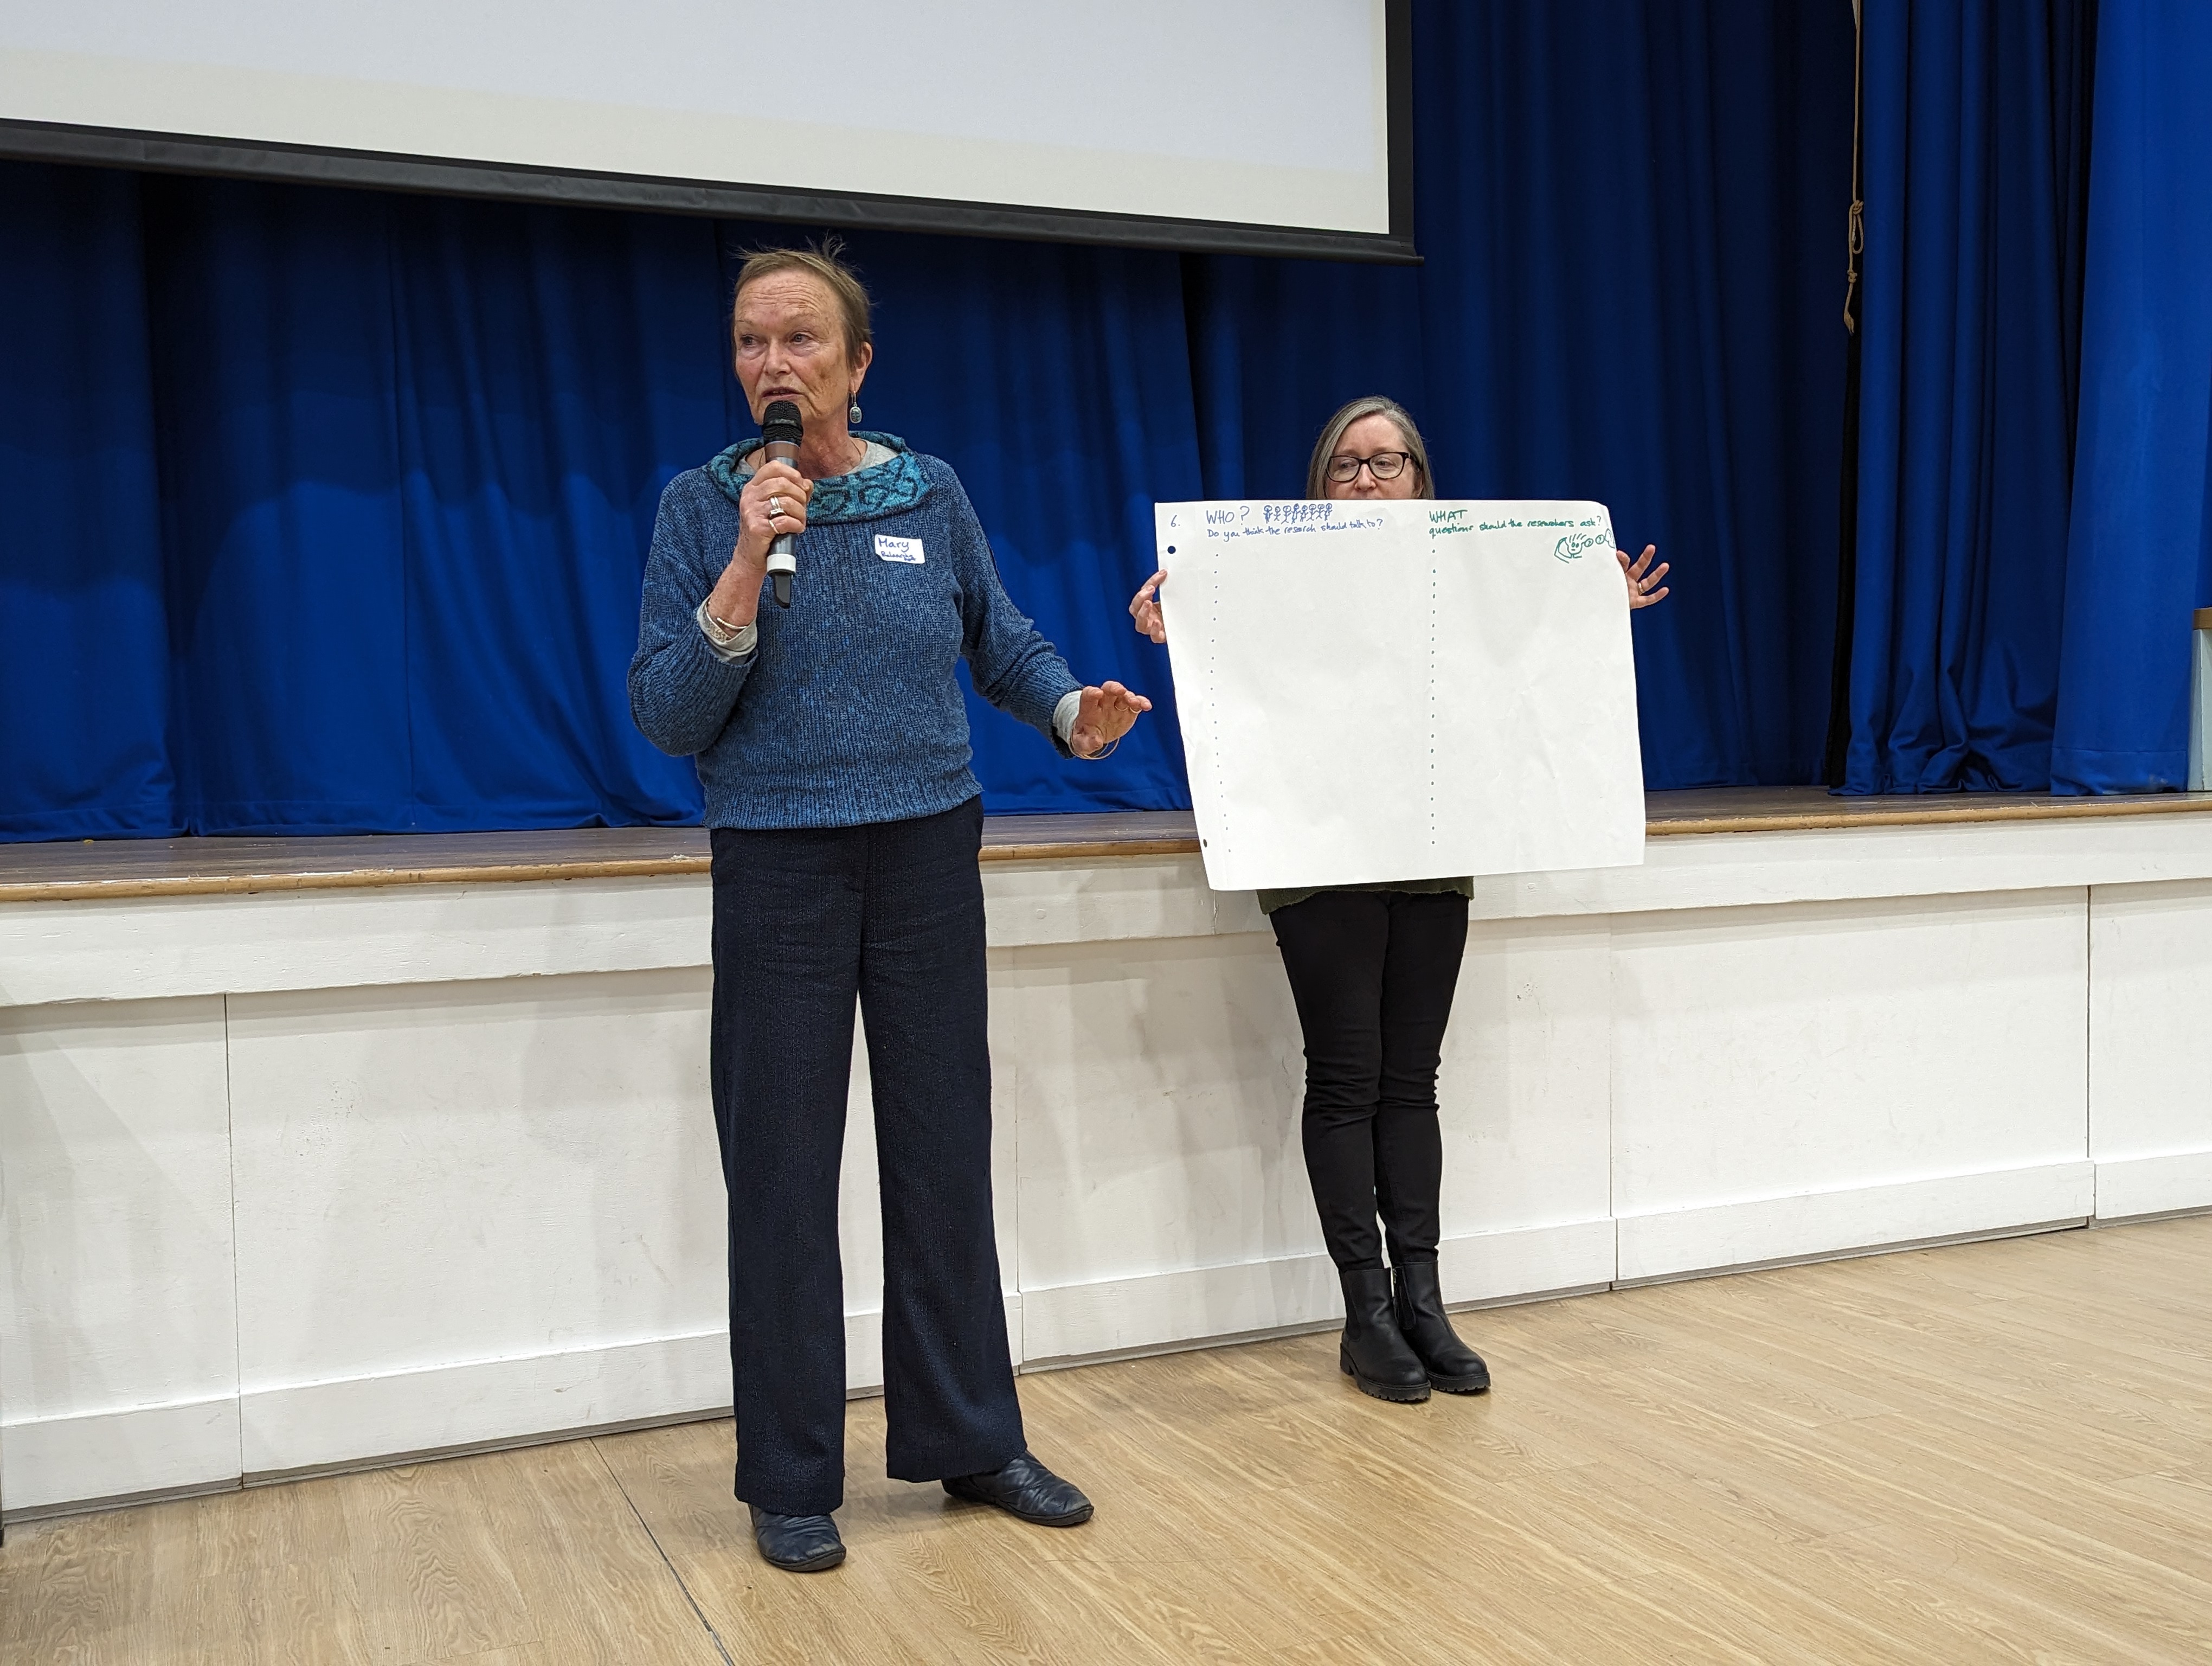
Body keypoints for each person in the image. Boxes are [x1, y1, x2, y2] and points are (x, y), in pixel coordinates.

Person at [629, 243, 1150, 1573]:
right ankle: (793, 1474)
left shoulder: (937, 495)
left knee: (941, 1157)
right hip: (780, 864)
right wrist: (747, 563)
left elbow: (1002, 638)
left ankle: (973, 1441)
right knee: (785, 1180)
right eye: (752, 342)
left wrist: (1065, 708)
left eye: (801, 341)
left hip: (926, 853)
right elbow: (669, 713)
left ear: (858, 365)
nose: (773, 366)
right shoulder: (706, 506)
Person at [1128, 395, 1669, 1404]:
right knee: (1347, 1075)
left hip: (1431, 849)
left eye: (1389, 464)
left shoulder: (1459, 580)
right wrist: (1185, 628)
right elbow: (1238, 675)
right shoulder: (1271, 572)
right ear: (1318, 482)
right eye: (1348, 466)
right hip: (1316, 855)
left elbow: (1525, 655)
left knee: (1410, 1079)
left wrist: (1587, 615)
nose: (1369, 482)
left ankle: (1425, 1304)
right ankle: (1365, 1313)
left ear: (1423, 478)